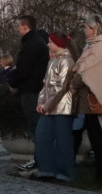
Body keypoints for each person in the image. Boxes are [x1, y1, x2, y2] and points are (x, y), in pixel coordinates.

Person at [71, 14, 102, 183]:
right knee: (98, 138)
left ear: (93, 29)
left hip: (98, 100)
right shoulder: (97, 45)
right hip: (93, 100)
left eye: (86, 28)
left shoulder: (100, 46)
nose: (84, 30)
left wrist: (74, 84)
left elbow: (85, 70)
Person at [27, 33, 77, 182]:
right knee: (42, 136)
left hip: (62, 107)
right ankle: (46, 170)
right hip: (48, 107)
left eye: (50, 42)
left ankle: (64, 173)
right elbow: (46, 85)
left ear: (58, 43)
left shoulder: (67, 61)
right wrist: (40, 103)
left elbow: (62, 87)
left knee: (62, 140)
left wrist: (47, 105)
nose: (48, 44)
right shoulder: (52, 61)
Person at [8, 15, 50, 169]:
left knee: (35, 125)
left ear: (25, 27)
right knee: (37, 125)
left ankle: (41, 161)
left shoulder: (31, 44)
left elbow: (24, 68)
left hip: (31, 90)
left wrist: (12, 81)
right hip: (34, 88)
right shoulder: (36, 42)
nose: (18, 29)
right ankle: (41, 159)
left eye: (19, 26)